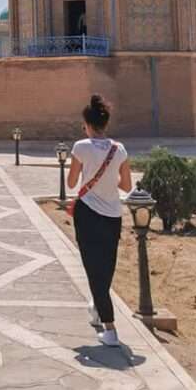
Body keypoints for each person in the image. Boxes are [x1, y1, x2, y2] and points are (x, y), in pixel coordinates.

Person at [66, 94, 133, 346]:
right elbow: (126, 185)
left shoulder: (81, 147)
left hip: (87, 214)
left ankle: (111, 330)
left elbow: (72, 183)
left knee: (93, 268)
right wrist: (108, 181)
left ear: (87, 124)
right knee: (106, 266)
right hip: (114, 214)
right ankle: (97, 304)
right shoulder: (119, 149)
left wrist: (86, 173)